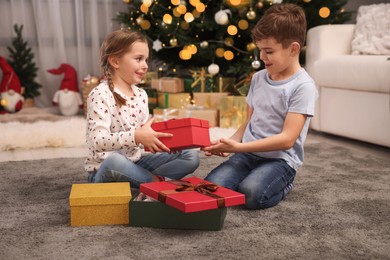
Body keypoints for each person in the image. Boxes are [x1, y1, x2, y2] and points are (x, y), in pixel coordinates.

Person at [203, 3, 317, 210]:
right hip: (247, 154)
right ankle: (246, 176)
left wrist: (239, 147)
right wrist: (230, 143)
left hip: (280, 160)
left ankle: (285, 184)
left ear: (293, 49)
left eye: (268, 51)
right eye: (260, 51)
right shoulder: (258, 78)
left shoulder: (303, 86)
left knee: (252, 195)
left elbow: (287, 139)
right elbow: (250, 122)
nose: (262, 57)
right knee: (211, 188)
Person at [84, 30, 199, 187]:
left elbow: (147, 136)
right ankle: (157, 184)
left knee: (190, 154)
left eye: (146, 60)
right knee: (115, 161)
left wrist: (173, 138)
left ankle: (140, 181)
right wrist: (136, 136)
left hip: (137, 163)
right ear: (115, 61)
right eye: (138, 59)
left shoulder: (141, 95)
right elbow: (96, 141)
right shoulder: (100, 94)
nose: (145, 66)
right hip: (105, 169)